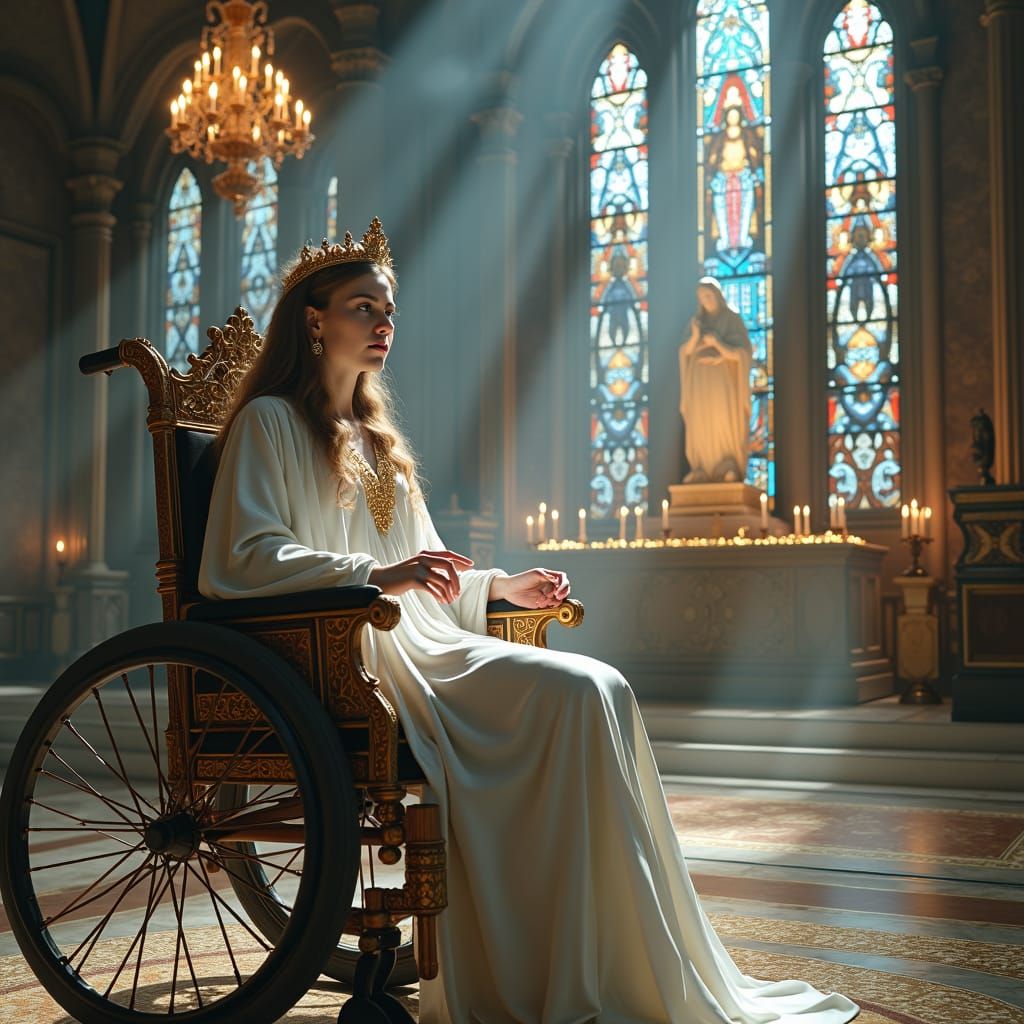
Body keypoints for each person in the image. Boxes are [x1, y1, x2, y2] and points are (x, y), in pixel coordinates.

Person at [200, 220, 858, 1024]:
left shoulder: (381, 444)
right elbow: (242, 557)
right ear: (314, 320)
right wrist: (372, 574)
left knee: (603, 687)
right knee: (580, 697)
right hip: (359, 656)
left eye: (389, 311)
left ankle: (599, 960)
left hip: (426, 641)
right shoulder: (272, 422)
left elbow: (432, 567)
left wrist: (503, 587)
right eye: (362, 308)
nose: (383, 325)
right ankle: (559, 970)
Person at [679, 278, 754, 484]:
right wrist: (695, 336)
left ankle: (728, 465)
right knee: (701, 424)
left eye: (709, 296)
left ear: (718, 296)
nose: (706, 300)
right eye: (702, 297)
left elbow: (743, 353)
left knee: (723, 422)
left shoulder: (732, 319)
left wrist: (718, 345)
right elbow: (684, 352)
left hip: (723, 383)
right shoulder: (696, 322)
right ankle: (701, 467)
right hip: (699, 383)